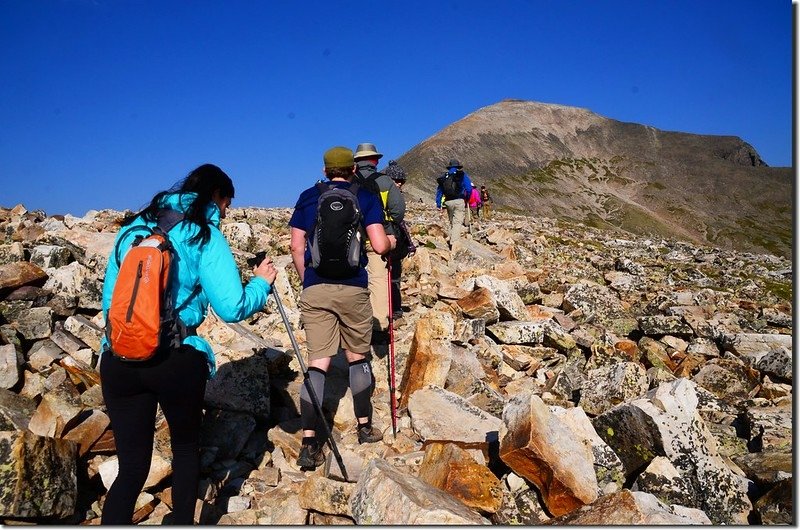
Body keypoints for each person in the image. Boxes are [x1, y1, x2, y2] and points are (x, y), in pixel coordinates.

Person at [99, 164, 278, 525]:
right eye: (227, 204)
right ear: (216, 195)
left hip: (119, 359)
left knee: (132, 468)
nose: (226, 213)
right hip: (175, 359)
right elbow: (232, 307)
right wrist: (262, 283)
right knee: (184, 451)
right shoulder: (203, 233)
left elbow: (110, 305)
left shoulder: (133, 229)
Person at [289, 146, 392, 469]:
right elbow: (377, 245)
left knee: (318, 362)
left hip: (316, 287)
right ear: (352, 169)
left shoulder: (308, 196)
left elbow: (295, 245)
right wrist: (392, 243)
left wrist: (309, 279)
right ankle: (364, 427)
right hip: (353, 286)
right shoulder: (365, 195)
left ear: (324, 171)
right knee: (357, 356)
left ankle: (309, 442)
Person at [353, 142, 404, 335]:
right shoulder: (385, 181)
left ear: (356, 161)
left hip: (351, 239)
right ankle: (380, 326)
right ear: (375, 161)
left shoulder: (348, 180)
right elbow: (398, 211)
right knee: (378, 279)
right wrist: (387, 225)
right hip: (378, 237)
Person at [384, 160, 416, 323]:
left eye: (401, 181)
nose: (399, 184)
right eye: (396, 180)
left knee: (393, 276)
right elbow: (399, 221)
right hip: (390, 239)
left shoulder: (384, 193)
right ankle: (392, 308)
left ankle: (393, 308)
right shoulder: (392, 196)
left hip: (392, 240)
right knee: (392, 276)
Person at [435, 158, 474, 247]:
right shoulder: (461, 175)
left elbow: (439, 192)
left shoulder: (445, 177)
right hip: (459, 200)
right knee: (457, 222)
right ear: (457, 167)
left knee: (452, 221)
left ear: (449, 167)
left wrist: (438, 204)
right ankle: (454, 242)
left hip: (448, 202)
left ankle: (451, 237)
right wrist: (467, 197)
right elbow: (468, 188)